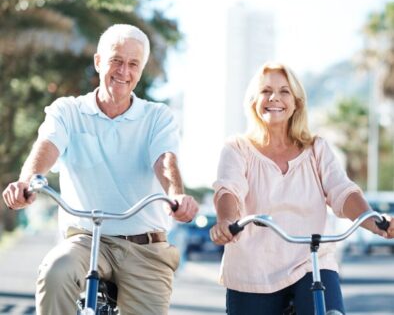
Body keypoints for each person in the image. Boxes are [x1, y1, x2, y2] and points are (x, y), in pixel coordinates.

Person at [2, 24, 199, 315]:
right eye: (116, 60)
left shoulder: (157, 117)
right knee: (56, 271)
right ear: (98, 62)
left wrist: (177, 195)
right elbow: (46, 146)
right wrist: (26, 183)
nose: (123, 71)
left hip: (144, 246)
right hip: (85, 239)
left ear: (141, 70)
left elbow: (165, 160)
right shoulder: (68, 111)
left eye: (133, 64)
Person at [209, 61, 394, 315]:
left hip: (311, 261)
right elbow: (229, 189)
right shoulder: (237, 148)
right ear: (253, 101)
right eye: (266, 91)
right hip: (254, 269)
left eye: (284, 91)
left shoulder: (317, 149)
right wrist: (226, 220)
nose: (275, 98)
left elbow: (343, 191)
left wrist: (374, 220)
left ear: (296, 102)